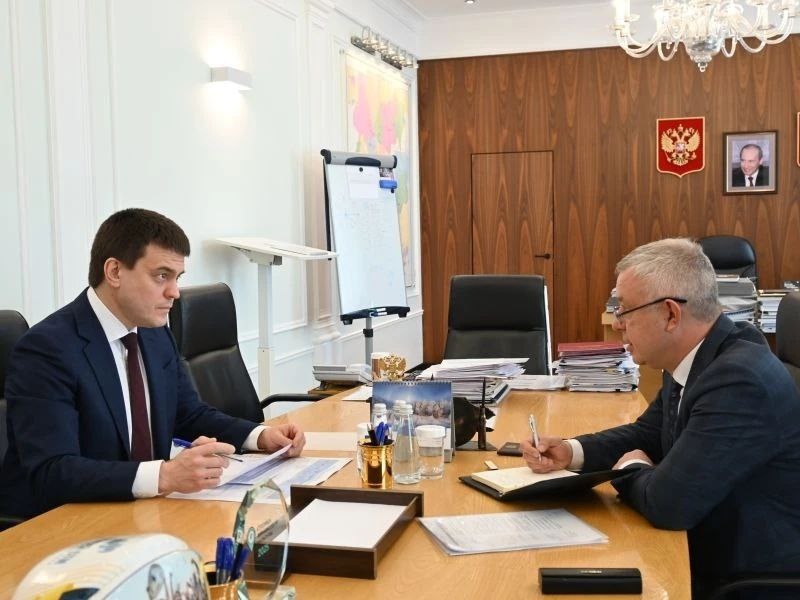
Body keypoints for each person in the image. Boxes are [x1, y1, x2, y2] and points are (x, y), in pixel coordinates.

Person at [523, 238, 800, 598]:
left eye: (624, 310)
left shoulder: (738, 380)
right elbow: (649, 434)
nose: (618, 323)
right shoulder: (700, 356)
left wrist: (630, 469)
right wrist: (572, 451)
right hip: (705, 547)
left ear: (671, 314)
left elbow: (669, 505)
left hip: (742, 577)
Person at [0, 208, 306, 518]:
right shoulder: (47, 349)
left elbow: (188, 414)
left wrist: (259, 436)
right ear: (115, 272)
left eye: (177, 278)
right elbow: (53, 471)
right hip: (61, 523)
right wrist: (165, 475)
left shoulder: (153, 333)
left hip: (142, 512)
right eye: (161, 276)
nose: (174, 292)